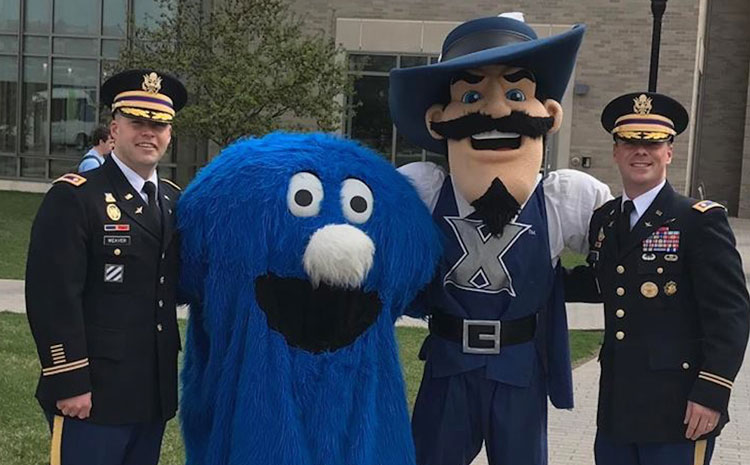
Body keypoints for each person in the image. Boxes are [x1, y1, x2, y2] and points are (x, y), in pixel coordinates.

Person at [389, 14, 611, 465]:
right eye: (470, 96)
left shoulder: (565, 197)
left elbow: (623, 268)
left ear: (548, 114)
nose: (494, 111)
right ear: (439, 120)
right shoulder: (422, 189)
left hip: (520, 366)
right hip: (449, 363)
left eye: (515, 94)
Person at [564, 91, 750, 465]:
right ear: (616, 150)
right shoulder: (607, 219)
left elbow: (730, 314)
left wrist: (712, 392)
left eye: (653, 143)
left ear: (669, 152)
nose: (641, 152)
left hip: (680, 409)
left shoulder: (698, 221)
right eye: (630, 142)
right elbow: (605, 282)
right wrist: (529, 273)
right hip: (618, 405)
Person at [25, 69, 187, 465]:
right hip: (93, 392)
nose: (149, 133)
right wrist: (68, 380)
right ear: (114, 129)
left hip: (151, 391)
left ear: (170, 134)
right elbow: (53, 297)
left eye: (160, 124)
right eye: (137, 122)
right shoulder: (76, 197)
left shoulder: (171, 200)